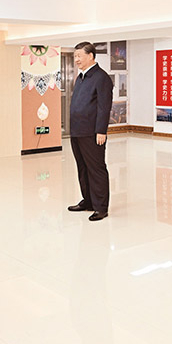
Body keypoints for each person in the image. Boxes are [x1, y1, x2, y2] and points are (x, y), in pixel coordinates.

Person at [66, 42, 113, 221]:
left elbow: (104, 107)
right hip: (77, 131)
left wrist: (101, 130)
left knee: (96, 168)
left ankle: (101, 207)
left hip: (92, 132)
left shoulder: (101, 78)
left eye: (79, 56)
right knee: (82, 167)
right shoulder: (81, 77)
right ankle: (88, 201)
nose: (76, 59)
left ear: (91, 56)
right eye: (75, 56)